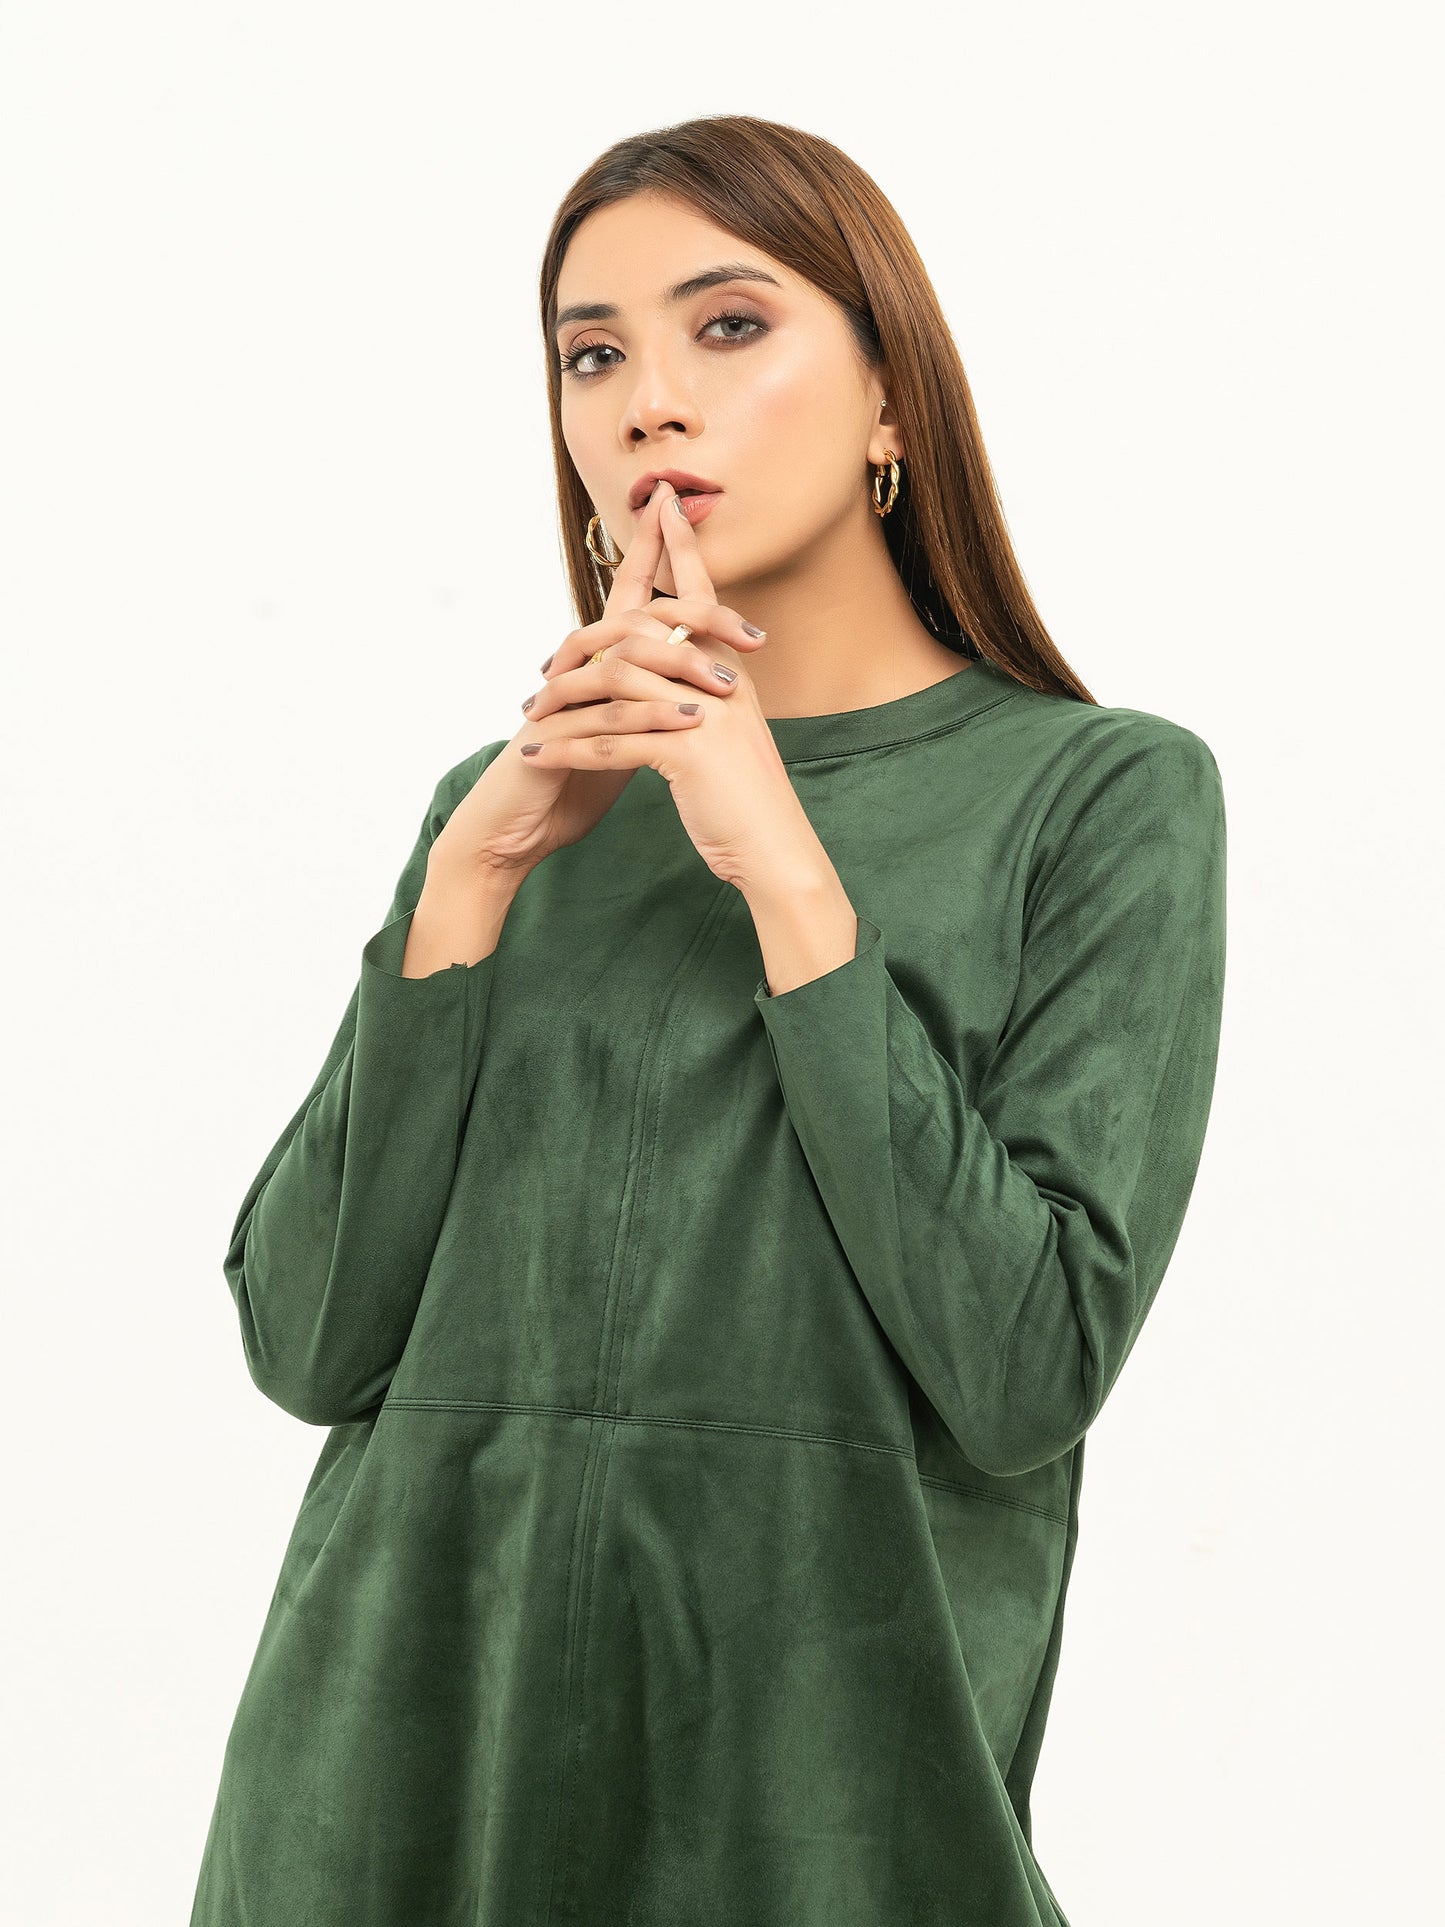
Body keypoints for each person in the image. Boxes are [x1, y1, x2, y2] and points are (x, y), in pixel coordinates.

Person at [189, 114, 1227, 1927]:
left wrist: (782, 874)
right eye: (591, 355)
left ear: (891, 396)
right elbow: (305, 1344)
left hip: (816, 1824)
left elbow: (1020, 1377)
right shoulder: (497, 812)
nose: (645, 404)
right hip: (386, 1804)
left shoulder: (1100, 796)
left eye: (727, 325)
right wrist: (469, 885)